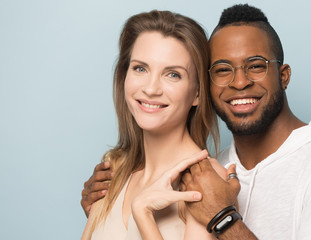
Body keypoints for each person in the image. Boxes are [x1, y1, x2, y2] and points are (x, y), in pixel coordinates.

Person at [82, 4, 311, 239]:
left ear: (284, 75)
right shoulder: (210, 169)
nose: (240, 82)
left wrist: (222, 218)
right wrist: (106, 215)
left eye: (255, 66)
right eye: (222, 70)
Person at [81, 10, 239, 240]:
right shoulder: (114, 171)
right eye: (140, 68)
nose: (151, 88)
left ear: (196, 93)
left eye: (173, 74)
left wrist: (143, 213)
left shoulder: (205, 180)